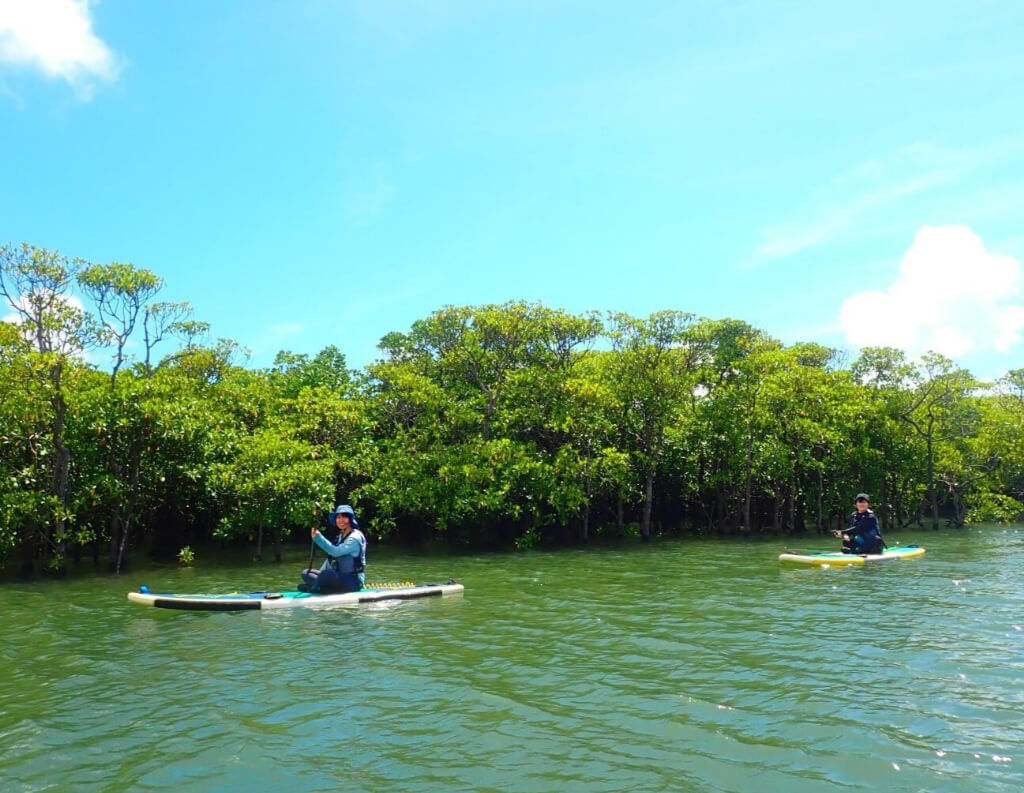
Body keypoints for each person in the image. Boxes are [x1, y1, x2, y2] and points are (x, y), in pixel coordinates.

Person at [299, 504, 367, 593]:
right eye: (338, 517)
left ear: (350, 519)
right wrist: (321, 578)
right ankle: (321, 586)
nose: (341, 520)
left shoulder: (354, 537)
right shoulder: (340, 536)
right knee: (306, 573)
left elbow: (336, 552)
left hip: (353, 581)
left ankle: (314, 589)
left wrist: (318, 538)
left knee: (326, 575)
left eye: (344, 517)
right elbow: (331, 558)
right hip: (339, 577)